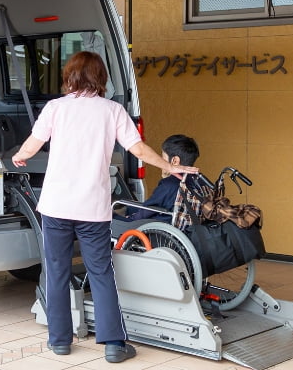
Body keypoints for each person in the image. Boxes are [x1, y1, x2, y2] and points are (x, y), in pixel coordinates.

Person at [11, 51, 198, 363]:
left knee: (56, 271)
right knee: (100, 272)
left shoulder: (55, 108)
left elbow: (33, 141)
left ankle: (59, 340)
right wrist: (170, 167)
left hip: (56, 206)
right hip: (92, 209)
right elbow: (136, 148)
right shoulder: (112, 110)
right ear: (101, 78)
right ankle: (113, 344)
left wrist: (21, 156)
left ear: (69, 76)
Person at [119, 134, 199, 223]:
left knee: (113, 218)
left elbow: (147, 211)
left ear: (174, 161)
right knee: (131, 207)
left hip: (158, 230)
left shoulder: (169, 184)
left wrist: (129, 218)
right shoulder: (198, 181)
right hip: (185, 229)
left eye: (162, 157)